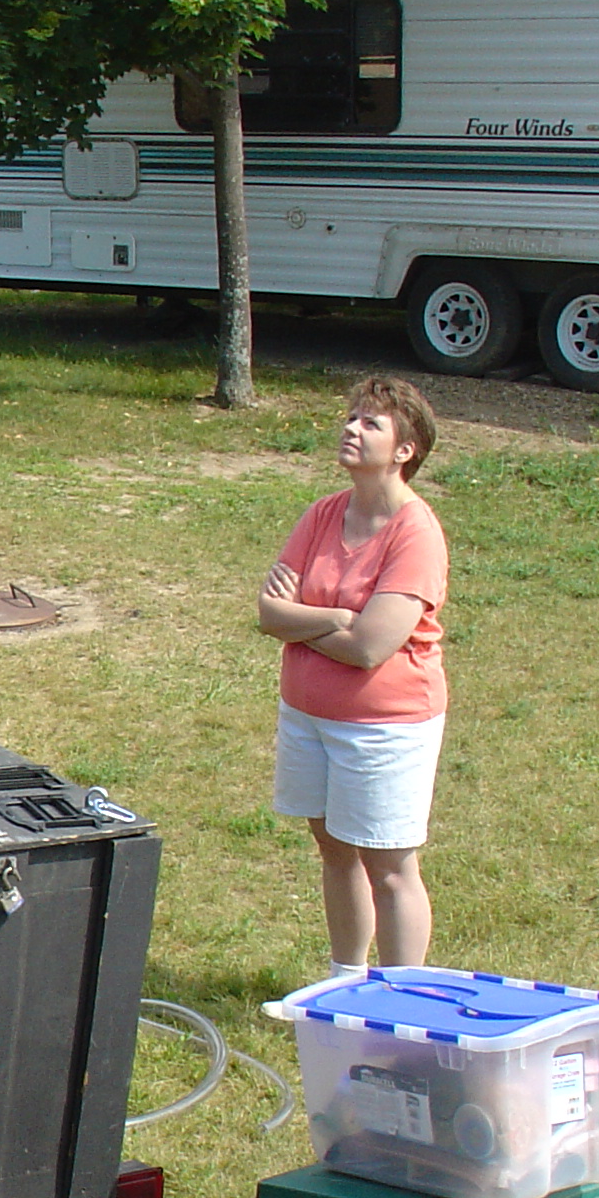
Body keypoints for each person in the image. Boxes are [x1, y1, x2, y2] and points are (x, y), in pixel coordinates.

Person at [259, 376, 450, 974]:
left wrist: (306, 621)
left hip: (384, 728)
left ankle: (400, 999)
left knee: (390, 867)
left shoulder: (416, 534)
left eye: (370, 423)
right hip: (309, 715)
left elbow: (372, 647)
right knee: (334, 848)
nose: (350, 428)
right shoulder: (323, 514)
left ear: (404, 450)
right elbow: (268, 614)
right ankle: (345, 983)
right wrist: (337, 615)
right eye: (351, 417)